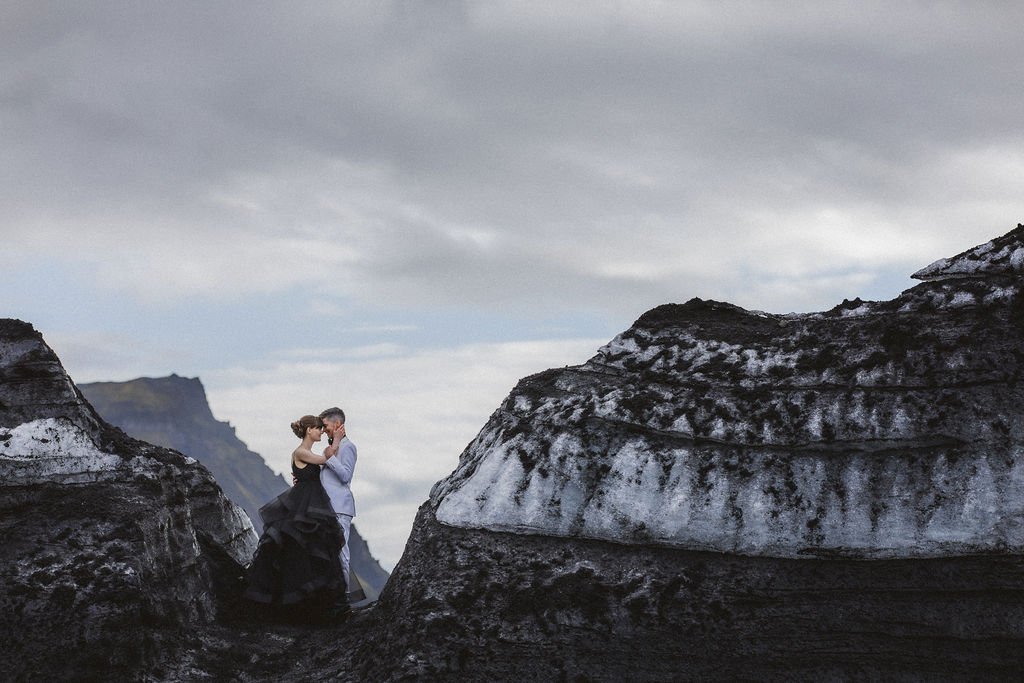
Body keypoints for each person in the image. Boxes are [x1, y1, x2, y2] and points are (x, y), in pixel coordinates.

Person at [243, 415, 344, 617]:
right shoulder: (300, 452)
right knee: (300, 549)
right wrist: (337, 440)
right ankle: (295, 605)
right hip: (304, 504)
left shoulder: (306, 453)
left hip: (312, 502)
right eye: (318, 428)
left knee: (313, 549)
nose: (320, 431)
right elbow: (326, 460)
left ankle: (313, 604)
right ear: (308, 430)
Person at [318, 406, 359, 611]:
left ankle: (345, 600)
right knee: (329, 554)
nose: (323, 430)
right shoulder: (333, 448)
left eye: (325, 425)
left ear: (337, 424)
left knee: (341, 553)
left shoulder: (348, 447)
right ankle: (333, 599)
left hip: (340, 508)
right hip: (328, 508)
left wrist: (329, 457)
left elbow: (345, 476)